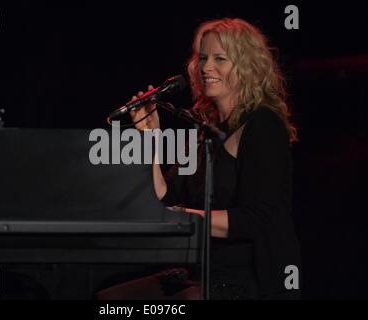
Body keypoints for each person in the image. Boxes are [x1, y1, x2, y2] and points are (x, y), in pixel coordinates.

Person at [126, 18, 302, 300]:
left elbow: (256, 220)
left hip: (248, 280)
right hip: (201, 272)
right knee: (114, 297)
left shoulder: (263, 125)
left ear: (247, 67)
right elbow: (165, 196)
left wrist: (183, 217)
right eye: (204, 57)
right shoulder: (203, 131)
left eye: (220, 58)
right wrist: (152, 138)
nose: (207, 67)